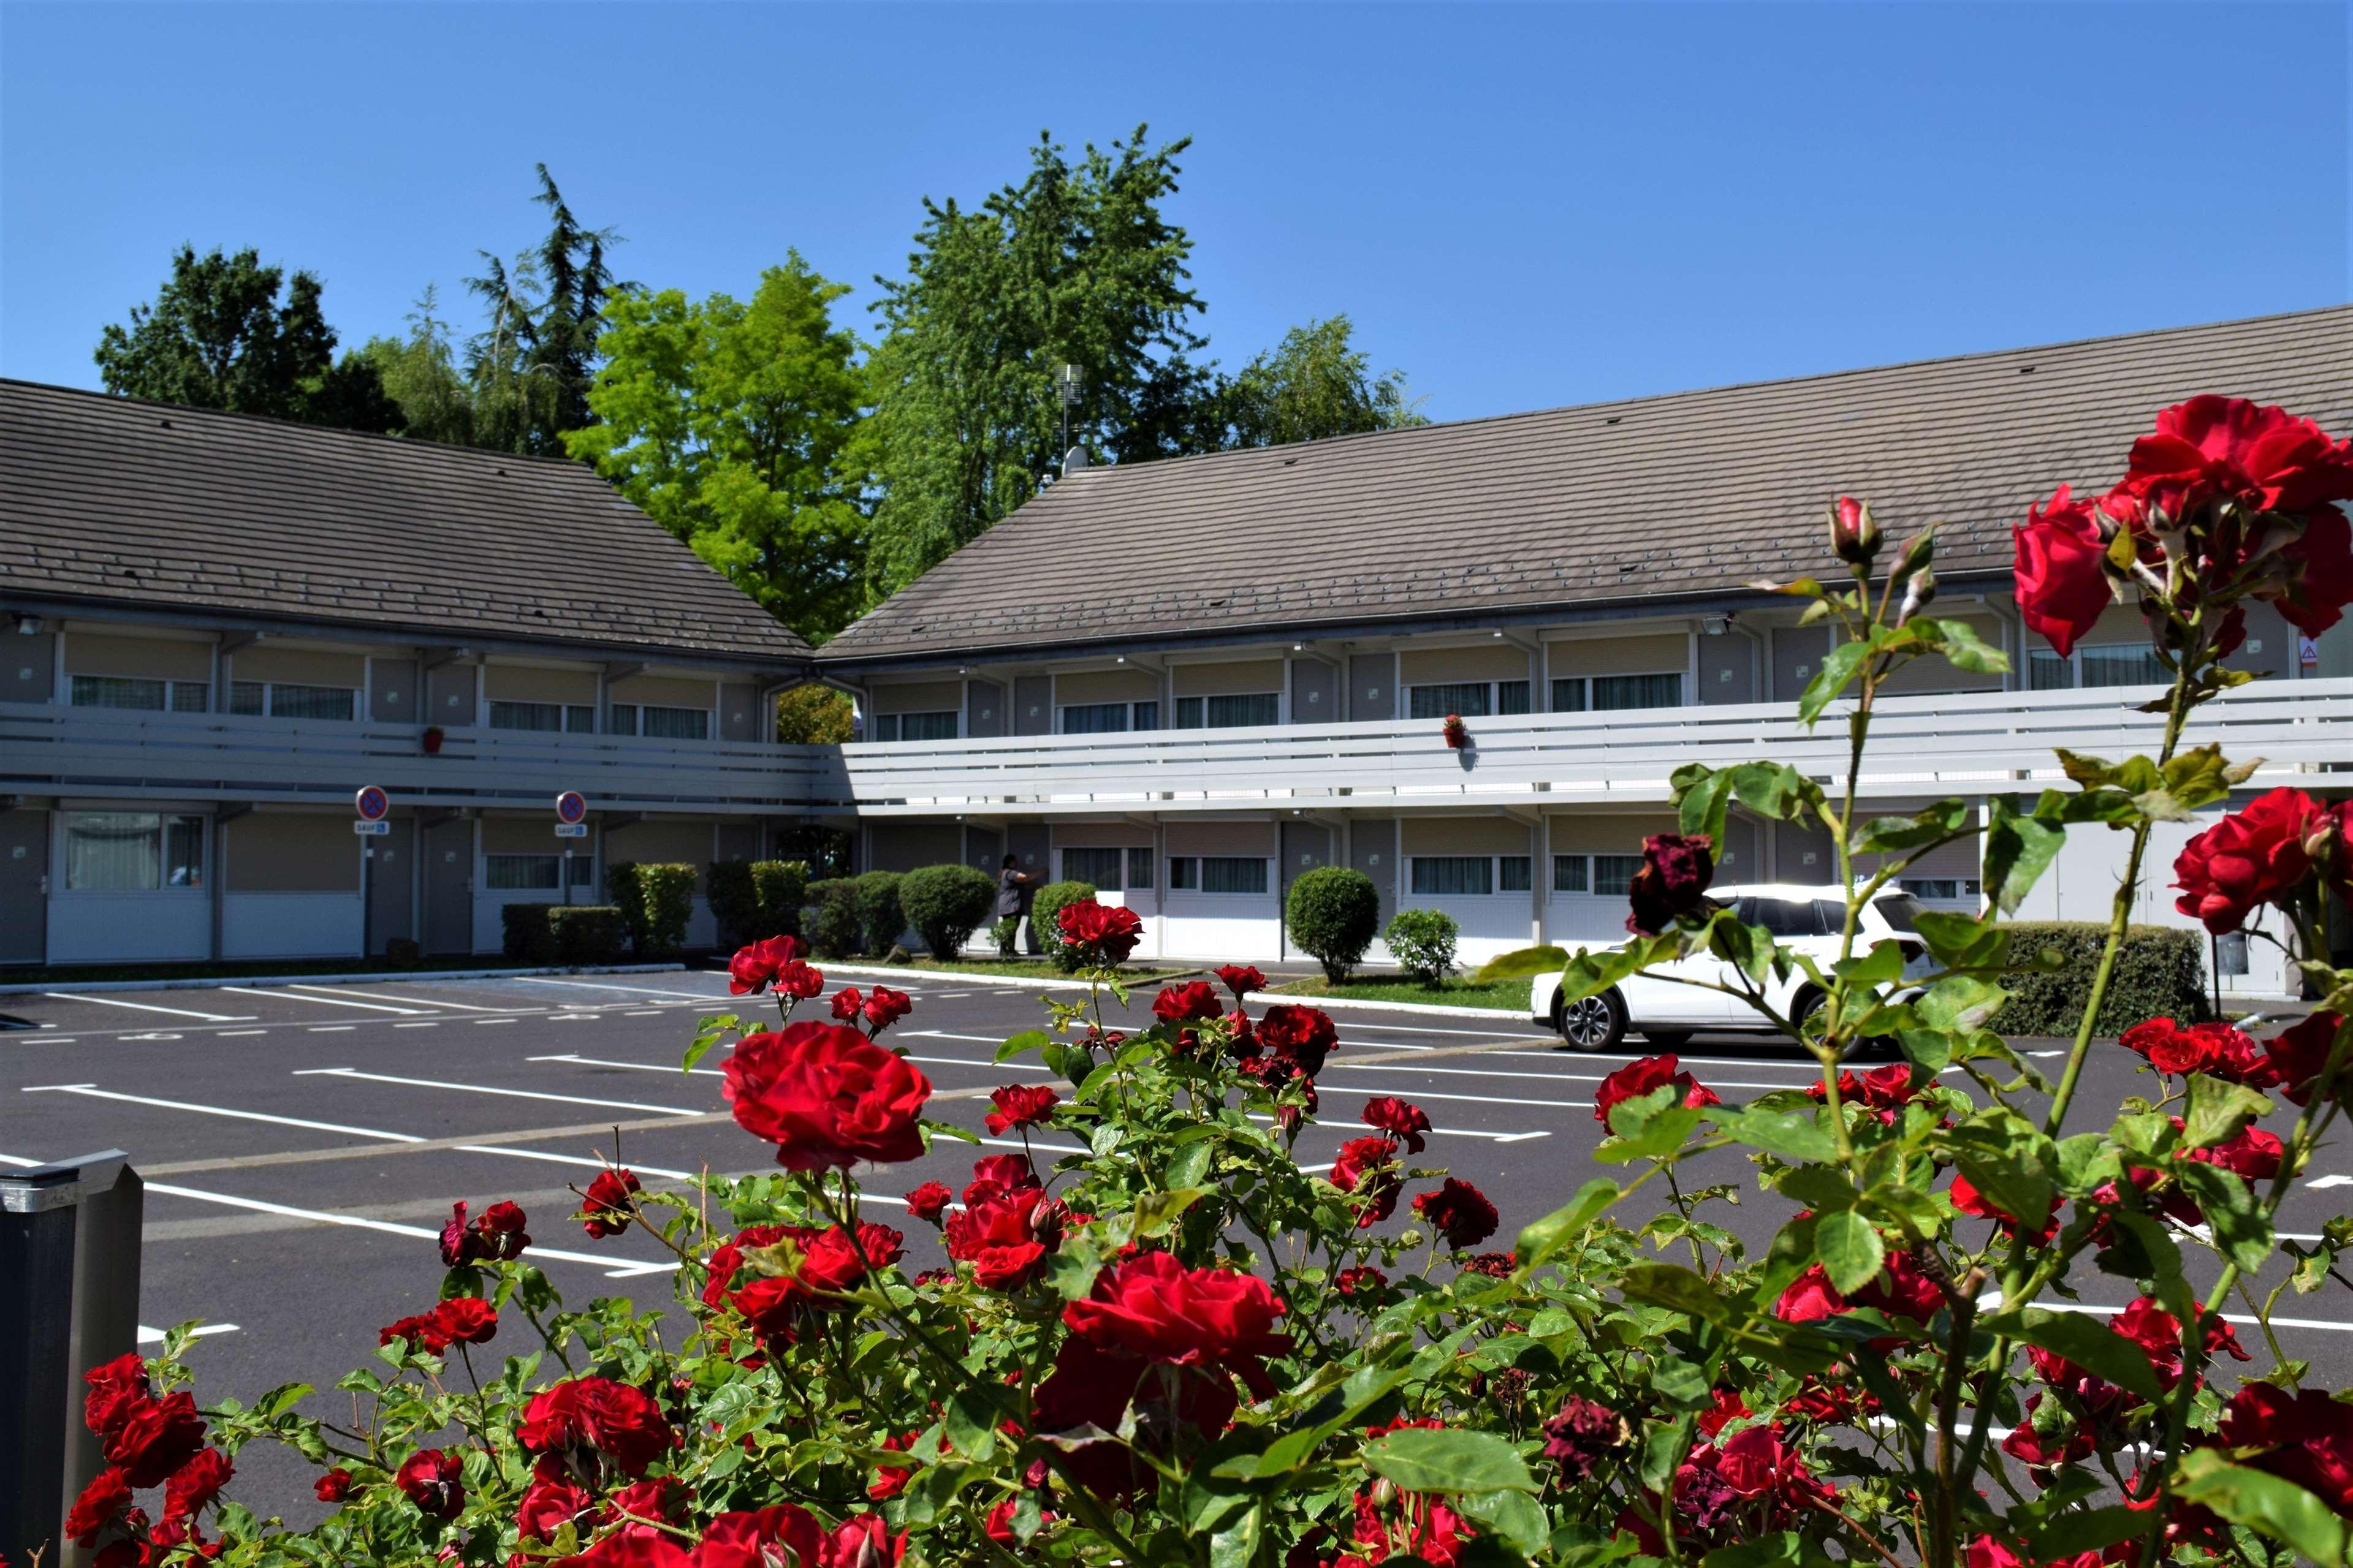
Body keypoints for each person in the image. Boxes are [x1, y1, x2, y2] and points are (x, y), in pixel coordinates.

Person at [995, 855, 1035, 956]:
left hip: (1007, 906)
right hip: (1011, 906)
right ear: (1010, 862)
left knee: (1009, 929)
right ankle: (1009, 952)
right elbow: (1024, 877)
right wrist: (1041, 872)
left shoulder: (1004, 873)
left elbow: (1023, 884)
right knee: (1011, 929)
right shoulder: (1010, 873)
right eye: (1015, 861)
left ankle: (1006, 951)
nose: (1016, 863)